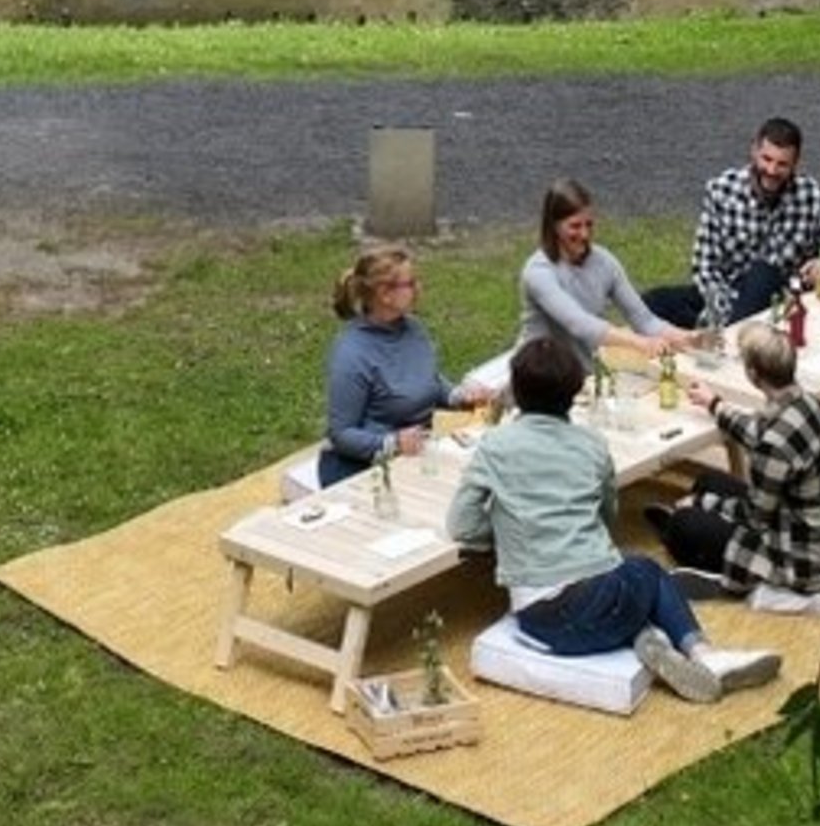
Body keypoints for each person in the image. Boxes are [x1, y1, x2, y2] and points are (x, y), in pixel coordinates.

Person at [443, 334, 780, 702]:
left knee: (616, 589)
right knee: (645, 571)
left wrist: (507, 529)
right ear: (573, 393)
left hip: (534, 617)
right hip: (583, 608)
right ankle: (705, 655)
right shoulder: (591, 445)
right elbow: (607, 516)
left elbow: (462, 525)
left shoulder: (494, 446)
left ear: (517, 391)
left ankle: (647, 639)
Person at [648, 321, 820, 598]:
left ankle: (682, 532)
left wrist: (702, 503)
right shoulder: (812, 405)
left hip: (801, 561)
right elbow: (759, 431)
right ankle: (682, 518)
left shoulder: (773, 446)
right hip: (818, 534)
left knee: (689, 523)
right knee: (708, 479)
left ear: (753, 374)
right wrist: (714, 404)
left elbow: (754, 517)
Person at [648, 115, 820, 329]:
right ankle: (722, 329)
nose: (771, 171)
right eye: (766, 159)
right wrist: (719, 313)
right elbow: (704, 266)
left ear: (795, 164)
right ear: (754, 151)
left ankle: (729, 340)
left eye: (782, 164)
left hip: (782, 300)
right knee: (651, 303)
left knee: (764, 273)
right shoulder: (722, 190)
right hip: (728, 294)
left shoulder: (809, 195)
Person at [319, 241, 483, 492]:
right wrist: (393, 443)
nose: (419, 288)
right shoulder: (352, 354)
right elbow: (341, 434)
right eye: (411, 283)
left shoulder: (414, 329)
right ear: (384, 293)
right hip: (363, 472)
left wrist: (460, 396)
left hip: (414, 458)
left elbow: (426, 380)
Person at [519, 178, 694, 375]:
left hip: (581, 376)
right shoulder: (538, 272)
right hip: (537, 378)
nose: (584, 234)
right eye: (575, 226)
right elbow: (580, 324)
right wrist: (640, 343)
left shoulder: (604, 262)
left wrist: (690, 339)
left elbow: (645, 320)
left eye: (589, 224)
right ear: (553, 226)